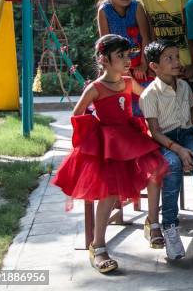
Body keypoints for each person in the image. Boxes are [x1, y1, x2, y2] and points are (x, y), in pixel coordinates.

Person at [52, 34, 168, 273]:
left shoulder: (127, 82)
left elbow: (146, 96)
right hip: (108, 145)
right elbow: (77, 113)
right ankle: (98, 245)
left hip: (130, 137)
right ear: (104, 60)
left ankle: (153, 223)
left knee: (155, 171)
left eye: (128, 55)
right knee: (109, 192)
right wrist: (94, 135)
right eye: (120, 56)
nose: (127, 60)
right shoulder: (95, 88)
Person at [139, 39, 193, 260]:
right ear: (154, 66)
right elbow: (154, 132)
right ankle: (170, 228)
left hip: (186, 134)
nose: (177, 62)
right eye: (170, 58)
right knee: (172, 166)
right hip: (163, 141)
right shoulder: (149, 95)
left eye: (177, 56)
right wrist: (179, 151)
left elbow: (189, 116)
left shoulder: (184, 86)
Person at [97, 0, 152, 116]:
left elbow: (145, 37)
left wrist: (144, 64)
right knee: (124, 108)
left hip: (140, 65)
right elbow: (106, 45)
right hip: (117, 67)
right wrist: (121, 71)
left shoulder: (136, 7)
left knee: (145, 105)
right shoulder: (104, 11)